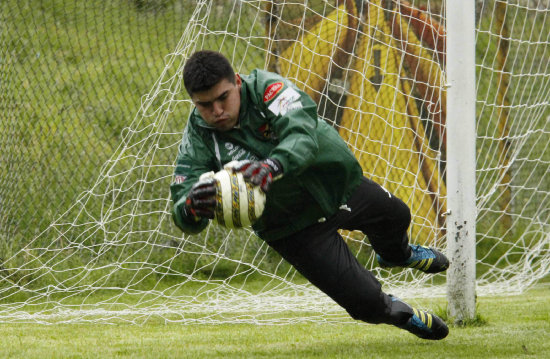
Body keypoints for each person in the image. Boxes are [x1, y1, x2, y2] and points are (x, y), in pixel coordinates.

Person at [170, 50, 450, 340]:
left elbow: (302, 132)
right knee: (366, 304)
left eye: (223, 98)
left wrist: (273, 165)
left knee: (397, 216)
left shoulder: (269, 89)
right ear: (193, 102)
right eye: (205, 105)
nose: (216, 111)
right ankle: (403, 314)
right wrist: (190, 207)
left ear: (237, 82)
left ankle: (397, 255)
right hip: (291, 227)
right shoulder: (198, 138)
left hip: (333, 184)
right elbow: (182, 198)